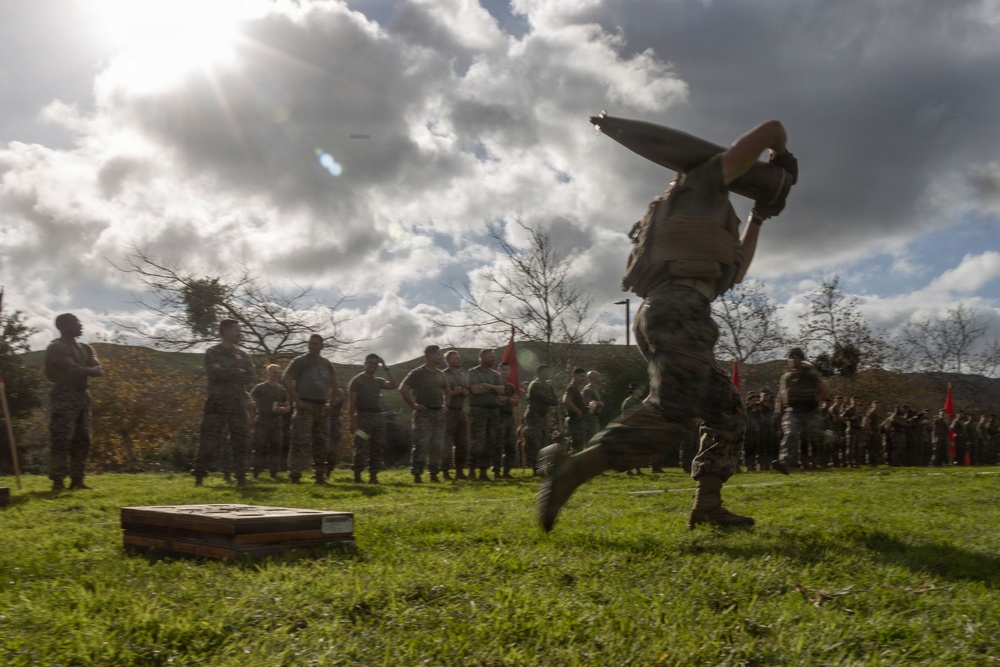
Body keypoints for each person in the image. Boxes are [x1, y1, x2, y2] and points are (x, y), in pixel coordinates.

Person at [537, 119, 796, 531]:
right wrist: (781, 155)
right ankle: (571, 470)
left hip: (680, 311)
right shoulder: (698, 185)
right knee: (672, 413)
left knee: (726, 409)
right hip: (677, 310)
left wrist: (758, 218)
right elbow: (771, 129)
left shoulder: (705, 216)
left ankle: (708, 504)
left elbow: (737, 271)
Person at [44, 313, 103, 491]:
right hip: (63, 395)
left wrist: (86, 370)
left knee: (83, 439)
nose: (80, 326)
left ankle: (77, 479)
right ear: (64, 326)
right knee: (62, 438)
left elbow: (100, 370)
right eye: (76, 323)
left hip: (82, 395)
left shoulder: (86, 347)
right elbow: (70, 369)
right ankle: (58, 481)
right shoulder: (57, 347)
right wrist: (89, 370)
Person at [193, 319, 255, 487]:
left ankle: (241, 477)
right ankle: (199, 477)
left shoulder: (243, 355)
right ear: (226, 331)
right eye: (236, 330)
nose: (239, 333)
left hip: (237, 403)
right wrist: (236, 372)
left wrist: (226, 372)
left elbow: (250, 376)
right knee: (209, 440)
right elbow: (214, 373)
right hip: (216, 403)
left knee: (241, 440)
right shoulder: (212, 352)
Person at [283, 334, 341, 485]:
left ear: (322, 346)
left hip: (322, 407)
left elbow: (334, 384)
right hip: (305, 405)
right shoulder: (300, 361)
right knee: (300, 441)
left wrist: (330, 400)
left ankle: (320, 476)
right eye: (310, 343)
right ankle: (295, 476)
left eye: (315, 344)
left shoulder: (326, 363)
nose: (312, 346)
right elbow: (286, 379)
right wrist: (297, 400)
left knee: (321, 442)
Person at [400, 345, 449, 483]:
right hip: (424, 414)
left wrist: (445, 405)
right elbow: (403, 388)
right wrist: (413, 405)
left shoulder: (440, 374)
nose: (440, 357)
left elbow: (447, 391)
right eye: (438, 355)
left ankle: (434, 474)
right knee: (421, 444)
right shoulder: (418, 373)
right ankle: (417, 474)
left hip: (438, 413)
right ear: (430, 356)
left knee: (437, 445)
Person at [774, 347, 827, 474]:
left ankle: (827, 439)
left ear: (801, 359)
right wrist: (777, 412)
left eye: (795, 357)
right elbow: (781, 395)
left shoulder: (810, 376)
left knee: (816, 436)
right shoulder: (786, 377)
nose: (792, 360)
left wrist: (817, 400)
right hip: (792, 411)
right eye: (790, 358)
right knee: (790, 433)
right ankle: (785, 462)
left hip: (810, 411)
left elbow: (824, 388)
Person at [348, 353, 398, 484]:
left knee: (377, 446)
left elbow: (393, 384)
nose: (372, 366)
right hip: (362, 418)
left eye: (375, 364)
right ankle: (357, 476)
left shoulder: (378, 381)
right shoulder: (357, 381)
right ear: (365, 364)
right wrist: (352, 422)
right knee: (361, 446)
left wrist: (386, 366)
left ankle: (373, 476)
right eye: (370, 363)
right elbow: (352, 403)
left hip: (377, 418)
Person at [466, 348, 504, 481]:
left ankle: (483, 471)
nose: (493, 359)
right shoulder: (473, 372)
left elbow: (501, 390)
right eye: (490, 357)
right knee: (477, 441)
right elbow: (475, 389)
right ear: (481, 358)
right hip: (478, 410)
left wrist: (488, 386)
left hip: (493, 411)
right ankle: (471, 471)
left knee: (490, 442)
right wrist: (492, 389)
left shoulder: (495, 374)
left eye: (493, 356)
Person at [249, 364, 290, 479]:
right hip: (262, 420)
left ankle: (274, 472)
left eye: (277, 373)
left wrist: (282, 409)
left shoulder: (281, 390)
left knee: (275, 447)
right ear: (267, 373)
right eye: (273, 372)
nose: (275, 375)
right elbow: (250, 403)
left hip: (276, 421)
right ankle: (256, 471)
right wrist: (251, 418)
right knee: (259, 446)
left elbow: (287, 406)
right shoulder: (260, 388)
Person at [522, 364, 559, 473]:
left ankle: (542, 467)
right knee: (534, 441)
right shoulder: (535, 385)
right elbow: (545, 399)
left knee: (543, 441)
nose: (548, 374)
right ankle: (534, 467)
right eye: (545, 372)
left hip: (543, 416)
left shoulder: (548, 385)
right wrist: (551, 400)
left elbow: (555, 400)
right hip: (534, 415)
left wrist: (552, 400)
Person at [442, 349, 470, 480]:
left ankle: (459, 471)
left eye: (459, 358)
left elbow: (468, 389)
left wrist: (465, 392)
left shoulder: (463, 374)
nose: (459, 360)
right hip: (448, 412)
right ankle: (445, 471)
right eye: (456, 358)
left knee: (462, 443)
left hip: (460, 412)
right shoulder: (443, 375)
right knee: (447, 443)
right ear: (449, 361)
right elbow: (438, 393)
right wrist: (452, 392)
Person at [494, 360, 521, 478]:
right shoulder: (494, 384)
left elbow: (516, 401)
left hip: (509, 418)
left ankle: (507, 471)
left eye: (507, 370)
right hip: (498, 418)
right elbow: (496, 401)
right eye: (503, 369)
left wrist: (507, 400)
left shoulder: (510, 386)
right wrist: (505, 400)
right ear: (498, 370)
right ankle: (496, 471)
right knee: (498, 446)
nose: (505, 372)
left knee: (511, 445)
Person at [561, 368, 588, 453]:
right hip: (575, 422)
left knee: (579, 446)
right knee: (576, 447)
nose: (583, 379)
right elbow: (566, 400)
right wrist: (577, 411)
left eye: (584, 377)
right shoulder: (572, 387)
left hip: (578, 422)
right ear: (574, 375)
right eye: (581, 376)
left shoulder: (576, 388)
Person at [581, 371, 606, 443]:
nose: (600, 377)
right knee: (593, 440)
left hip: (595, 418)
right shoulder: (587, 390)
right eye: (598, 376)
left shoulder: (595, 388)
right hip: (590, 420)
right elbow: (587, 403)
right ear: (592, 378)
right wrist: (600, 404)